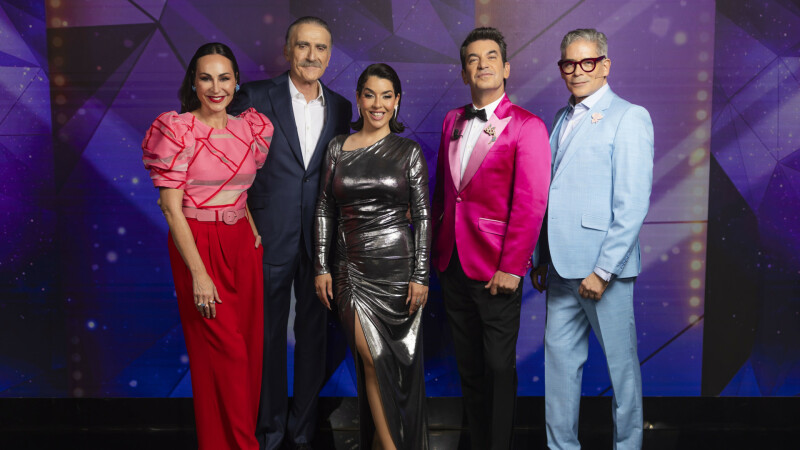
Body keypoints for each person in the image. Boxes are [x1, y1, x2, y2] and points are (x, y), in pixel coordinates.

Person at [227, 16, 352, 450]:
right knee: (267, 335)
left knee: (315, 336)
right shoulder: (255, 96)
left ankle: (303, 430)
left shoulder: (342, 108)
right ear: (287, 50)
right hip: (268, 233)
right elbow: (223, 150)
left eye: (320, 48)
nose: (312, 56)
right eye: (303, 46)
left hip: (321, 241)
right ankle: (270, 429)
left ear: (329, 55)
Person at [141, 42, 273, 449]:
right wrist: (199, 274)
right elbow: (171, 209)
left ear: (236, 82)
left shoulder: (250, 128)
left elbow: (240, 189)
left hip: (242, 245)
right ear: (194, 83)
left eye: (224, 78)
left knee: (248, 352)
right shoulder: (178, 130)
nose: (216, 88)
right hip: (197, 245)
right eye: (206, 78)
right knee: (226, 354)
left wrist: (250, 227)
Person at [530, 28, 654, 450]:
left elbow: (632, 204)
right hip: (560, 268)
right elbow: (552, 191)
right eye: (569, 63)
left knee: (622, 371)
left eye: (587, 62)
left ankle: (628, 446)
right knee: (559, 370)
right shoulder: (560, 118)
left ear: (605, 65)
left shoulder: (629, 116)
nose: (577, 71)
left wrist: (603, 271)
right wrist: (541, 256)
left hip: (604, 270)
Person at [432, 27, 551, 449]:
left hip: (497, 266)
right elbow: (445, 192)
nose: (482, 65)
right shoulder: (452, 120)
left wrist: (513, 267)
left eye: (491, 57)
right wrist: (435, 251)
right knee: (468, 368)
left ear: (506, 68)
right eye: (473, 59)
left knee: (499, 368)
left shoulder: (527, 126)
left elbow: (531, 202)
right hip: (451, 262)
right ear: (465, 72)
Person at [314, 63, 431, 450]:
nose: (377, 104)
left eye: (386, 96)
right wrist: (321, 266)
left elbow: (423, 216)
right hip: (351, 270)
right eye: (369, 94)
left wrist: (421, 275)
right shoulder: (338, 147)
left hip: (398, 271)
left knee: (395, 369)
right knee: (372, 357)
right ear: (359, 98)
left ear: (397, 101)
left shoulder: (409, 151)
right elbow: (324, 209)